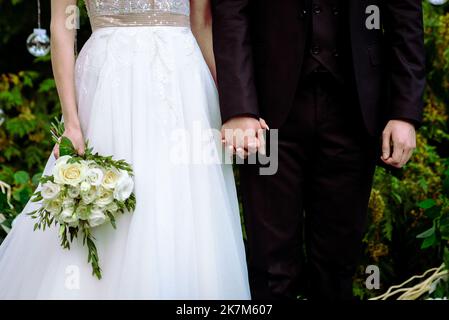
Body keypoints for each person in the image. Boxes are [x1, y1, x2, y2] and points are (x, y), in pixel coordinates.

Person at [0, 0, 250, 300]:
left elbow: (203, 22)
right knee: (117, 199)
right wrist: (71, 122)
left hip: (185, 85)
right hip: (108, 82)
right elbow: (64, 27)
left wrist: (234, 107)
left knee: (186, 202)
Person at [212, 0, 425, 300]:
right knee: (271, 265)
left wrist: (404, 112)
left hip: (354, 111)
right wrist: (239, 107)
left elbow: (405, 18)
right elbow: (231, 12)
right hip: (267, 115)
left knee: (337, 265)